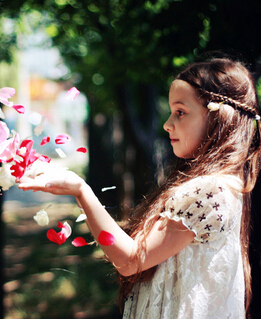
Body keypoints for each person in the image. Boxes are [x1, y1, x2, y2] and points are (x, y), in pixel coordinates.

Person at [18, 57, 261, 319]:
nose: (167, 124)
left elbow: (131, 260)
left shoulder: (209, 190)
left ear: (219, 118)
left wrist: (81, 191)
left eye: (180, 112)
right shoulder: (227, 185)